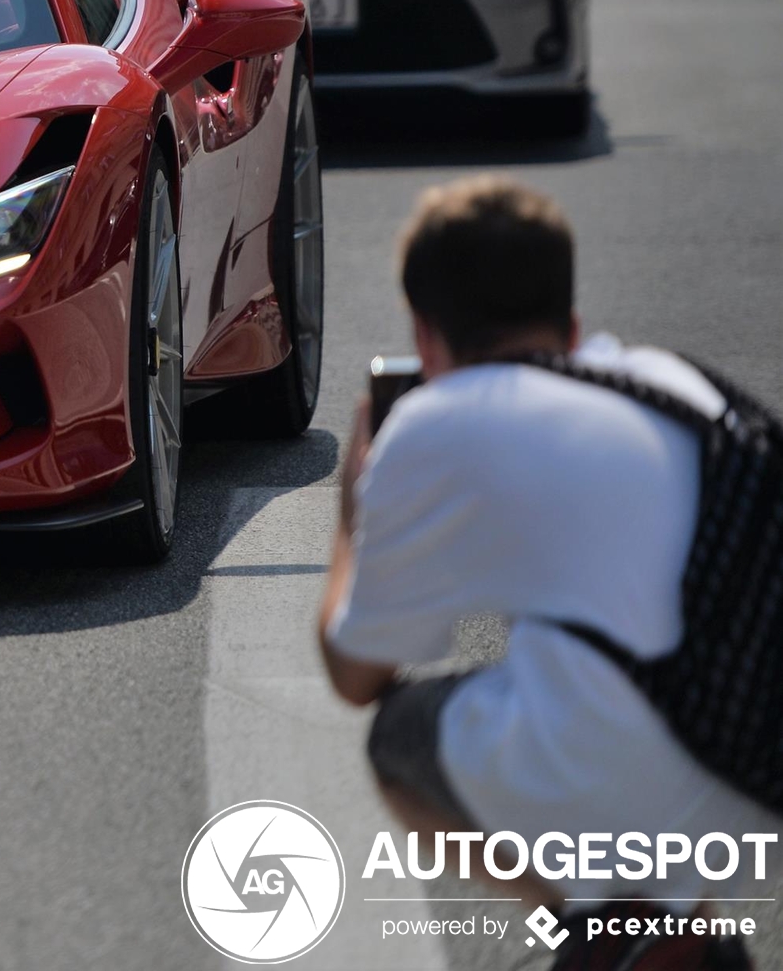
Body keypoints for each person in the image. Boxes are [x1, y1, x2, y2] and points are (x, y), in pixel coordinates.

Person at [320, 177, 780, 964]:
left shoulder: (438, 417)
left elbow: (357, 670)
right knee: (616, 677)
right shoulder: (677, 382)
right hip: (760, 773)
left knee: (398, 734)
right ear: (571, 326)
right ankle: (679, 927)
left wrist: (354, 512)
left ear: (427, 338)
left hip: (644, 768)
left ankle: (605, 930)